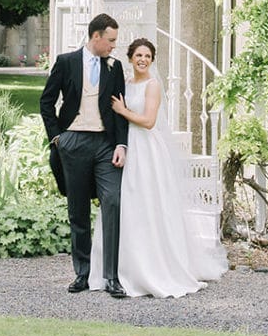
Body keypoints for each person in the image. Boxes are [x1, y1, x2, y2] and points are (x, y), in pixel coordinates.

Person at [88, 37, 228, 298]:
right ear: (130, 58)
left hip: (147, 149)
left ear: (152, 61)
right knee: (125, 205)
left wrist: (122, 110)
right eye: (138, 55)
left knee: (149, 204)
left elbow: (149, 121)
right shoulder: (126, 83)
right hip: (127, 146)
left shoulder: (153, 85)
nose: (142, 60)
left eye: (148, 57)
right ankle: (120, 269)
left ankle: (154, 268)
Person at [39, 13, 129, 298]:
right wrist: (57, 137)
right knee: (77, 210)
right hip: (73, 141)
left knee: (112, 201)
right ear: (96, 37)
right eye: (111, 40)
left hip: (105, 143)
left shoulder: (115, 68)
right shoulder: (66, 62)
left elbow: (120, 111)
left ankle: (112, 277)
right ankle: (82, 273)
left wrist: (121, 145)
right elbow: (46, 101)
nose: (114, 46)